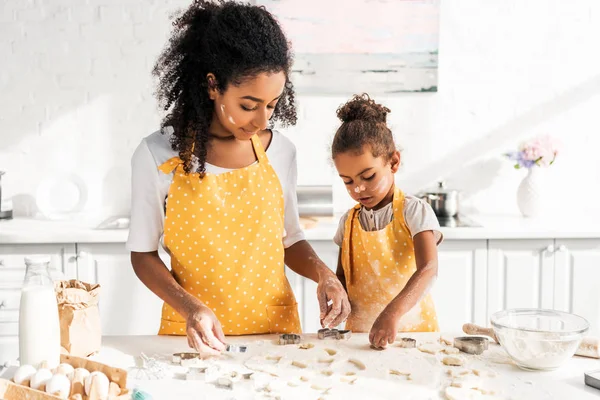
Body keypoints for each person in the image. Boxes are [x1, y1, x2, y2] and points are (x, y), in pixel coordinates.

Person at [126, 0, 350, 358]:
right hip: (193, 338)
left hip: (275, 335)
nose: (262, 120)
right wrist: (190, 308)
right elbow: (142, 255)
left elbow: (290, 240)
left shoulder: (281, 152)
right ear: (213, 85)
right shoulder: (157, 155)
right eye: (249, 105)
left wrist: (325, 275)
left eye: (272, 105)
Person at [331, 94, 443, 349]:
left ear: (393, 162)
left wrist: (391, 313)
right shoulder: (348, 222)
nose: (358, 189)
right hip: (360, 339)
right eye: (347, 181)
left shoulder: (414, 211)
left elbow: (428, 269)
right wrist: (335, 299)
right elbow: (342, 278)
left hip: (414, 337)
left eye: (368, 176)